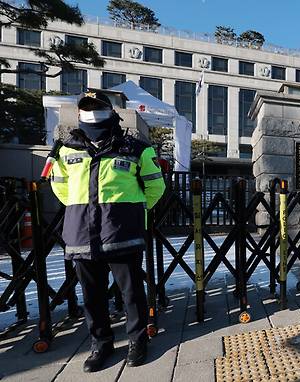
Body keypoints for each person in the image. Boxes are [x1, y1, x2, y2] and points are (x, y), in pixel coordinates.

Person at [50, 91, 166, 372]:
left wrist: (130, 212)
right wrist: (85, 213)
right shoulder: (65, 150)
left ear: (111, 111)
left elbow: (155, 187)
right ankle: (100, 343)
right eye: (87, 108)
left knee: (132, 292)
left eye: (98, 107)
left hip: (122, 231)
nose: (92, 112)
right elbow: (60, 188)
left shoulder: (136, 148)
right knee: (92, 294)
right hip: (81, 234)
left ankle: (138, 340)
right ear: (79, 114)